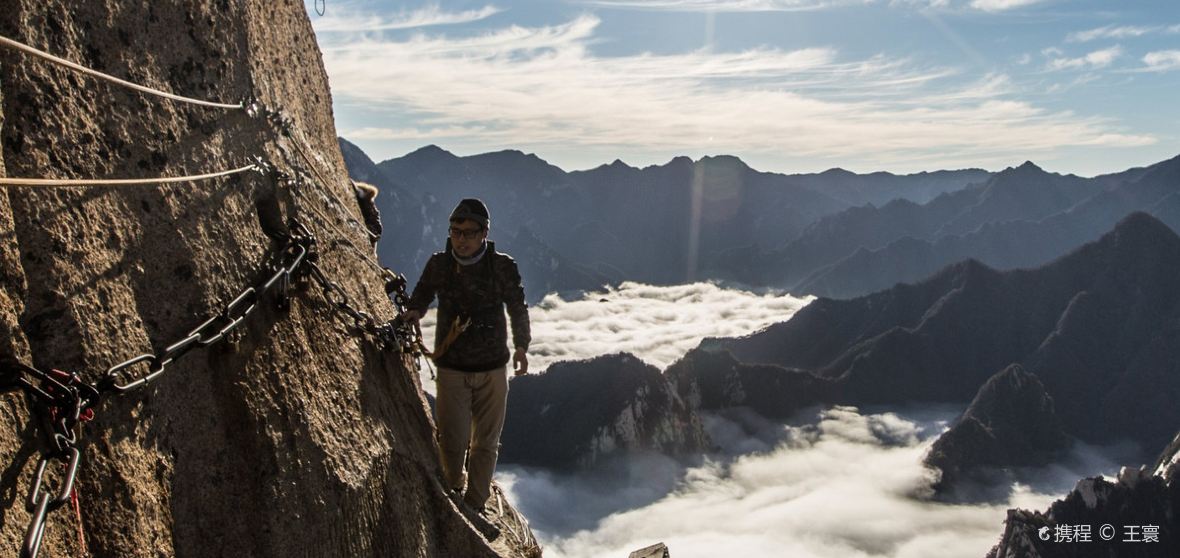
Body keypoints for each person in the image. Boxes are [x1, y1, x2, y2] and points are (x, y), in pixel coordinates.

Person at [402, 198, 530, 517]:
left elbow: (517, 306)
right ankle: (454, 485)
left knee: (486, 443)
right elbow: (421, 295)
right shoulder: (439, 264)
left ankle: (475, 504)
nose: (460, 238)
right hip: (453, 368)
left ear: (484, 233)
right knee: (452, 442)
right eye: (455, 231)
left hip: (493, 368)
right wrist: (414, 312)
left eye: (468, 232)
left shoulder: (502, 266)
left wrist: (522, 347)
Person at [351, 180, 382, 248]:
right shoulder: (370, 203)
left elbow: (356, 189)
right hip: (376, 228)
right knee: (373, 239)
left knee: (372, 236)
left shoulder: (364, 197)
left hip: (373, 227)